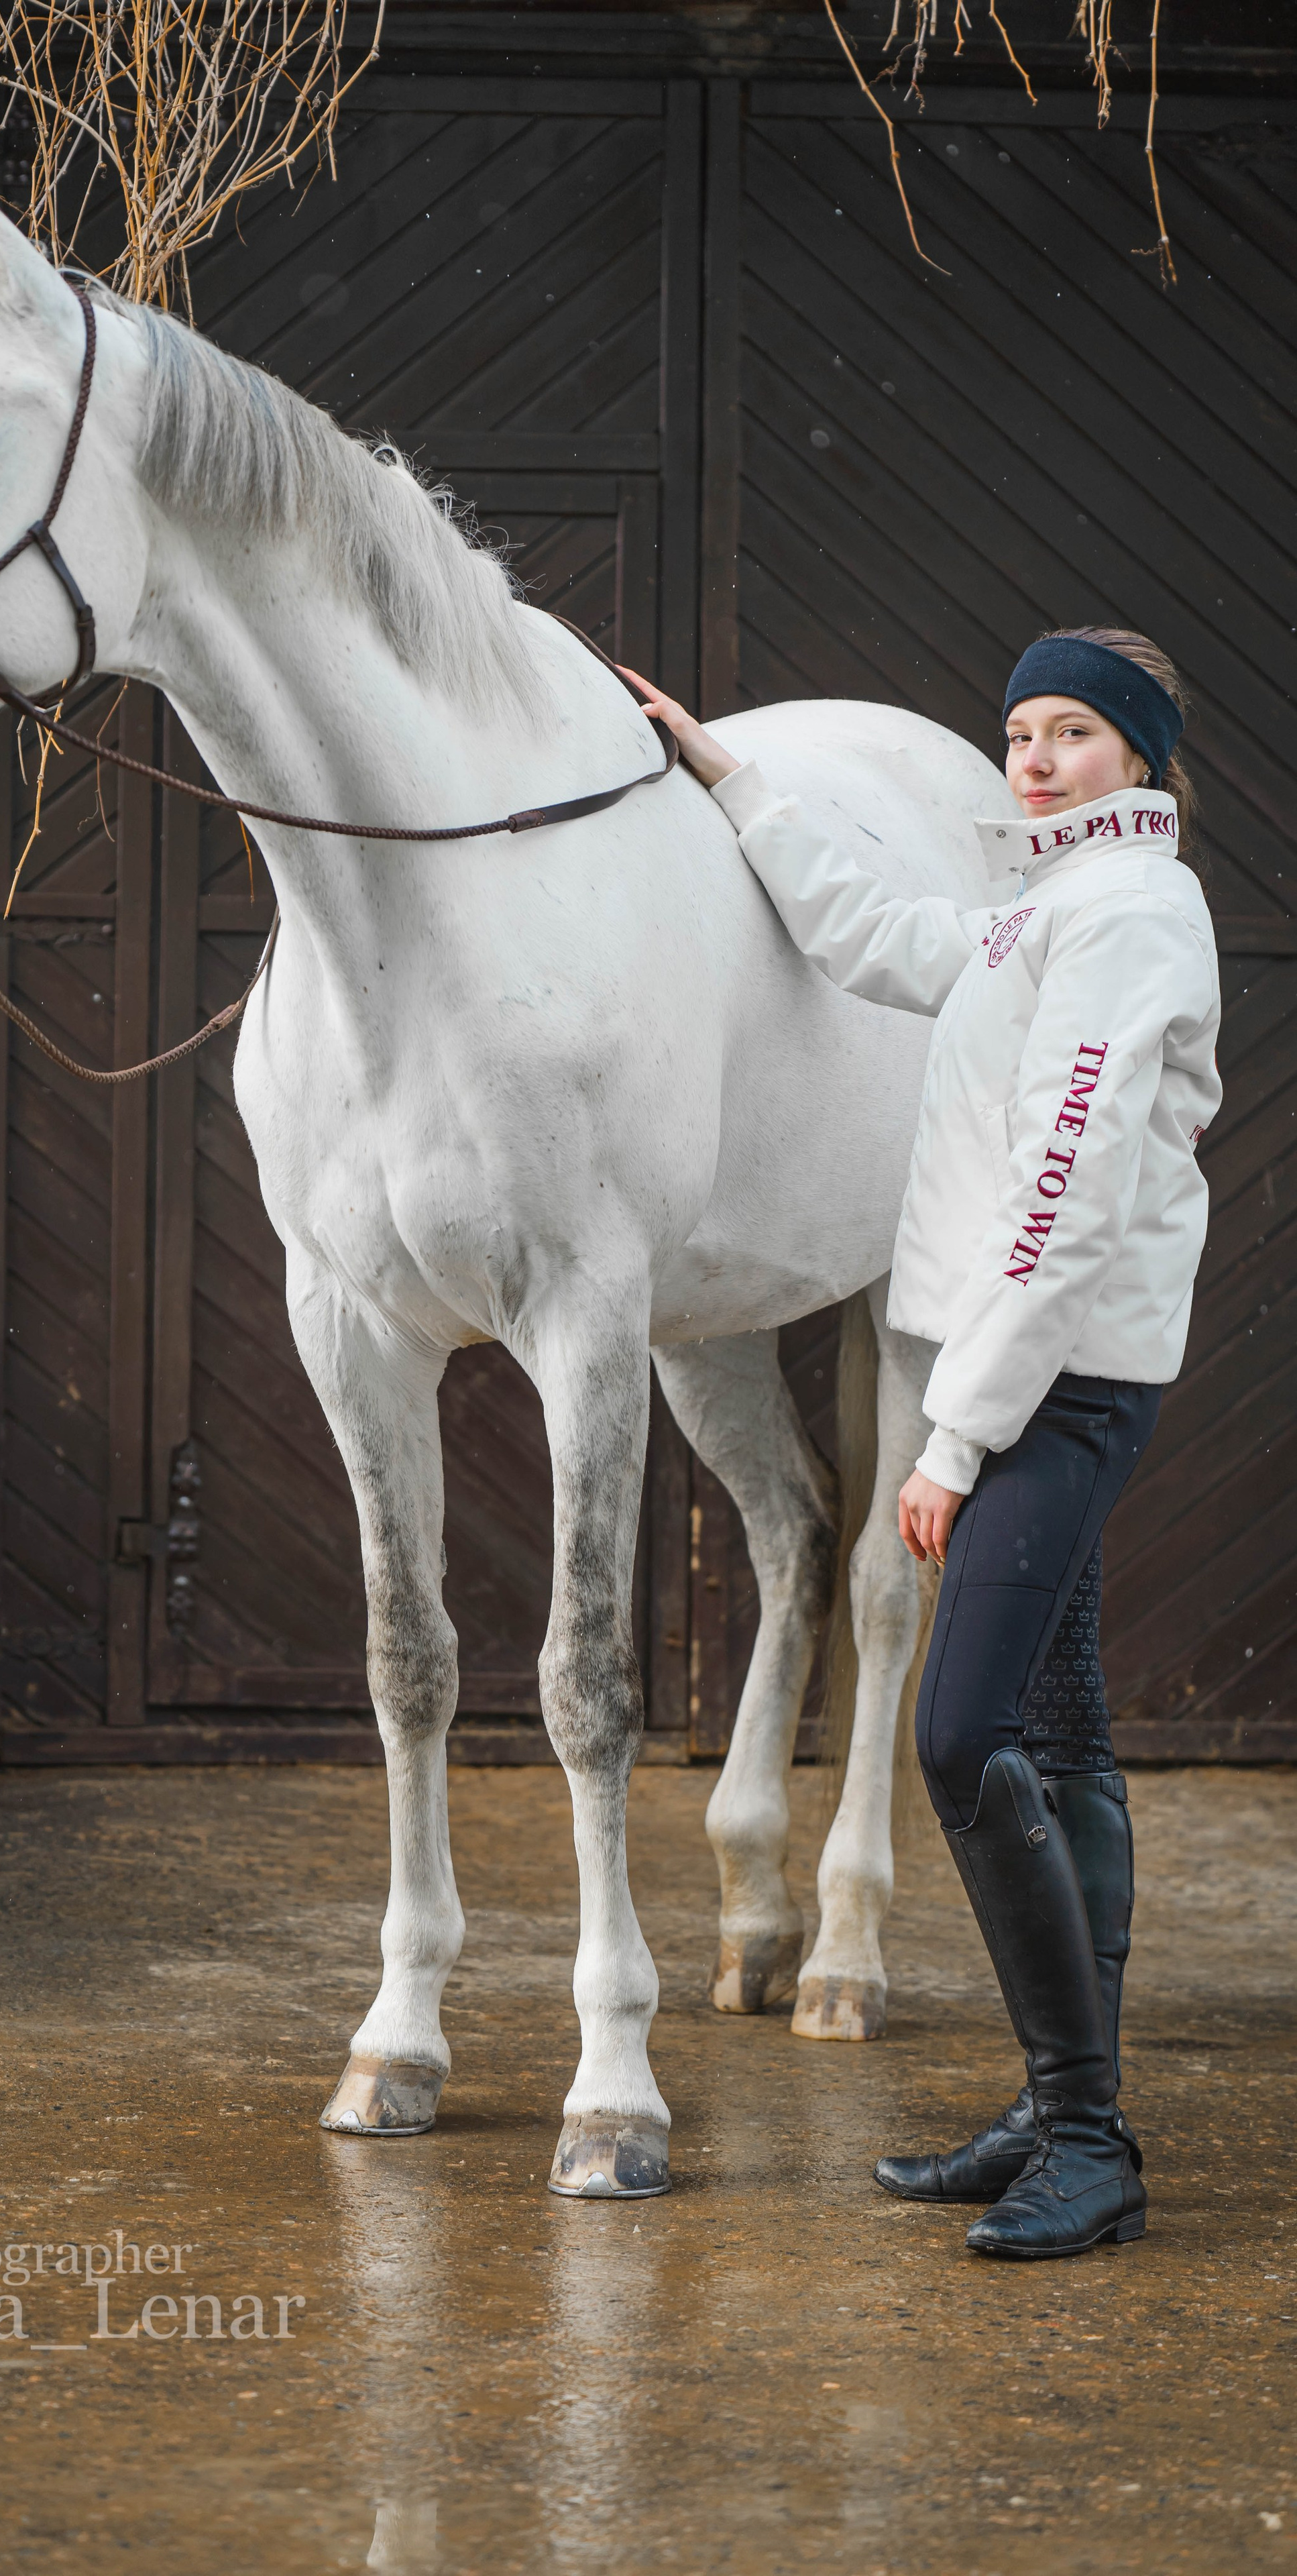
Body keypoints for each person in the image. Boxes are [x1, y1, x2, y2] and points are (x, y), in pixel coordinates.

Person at [627, 631, 1219, 2259]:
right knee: (1063, 1735)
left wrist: (951, 1440)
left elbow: (1063, 1196)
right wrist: (726, 771)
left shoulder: (1128, 920)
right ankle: (1058, 2109)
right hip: (1032, 1373)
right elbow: (879, 935)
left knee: (961, 1740)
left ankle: (1086, 2137)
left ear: (1142, 762)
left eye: (1075, 733)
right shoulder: (1044, 908)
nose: (1032, 758)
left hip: (1053, 1383)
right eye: (1018, 730)